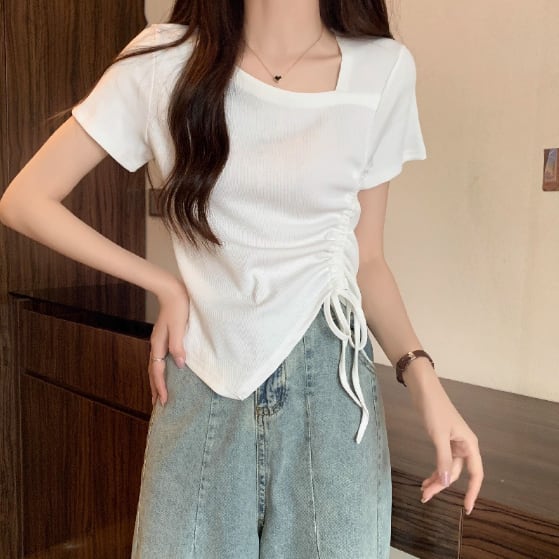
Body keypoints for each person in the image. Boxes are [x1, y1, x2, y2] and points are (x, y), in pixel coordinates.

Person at [0, 0, 484, 557]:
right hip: (202, 379)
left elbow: (367, 259)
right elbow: (25, 200)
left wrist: (424, 381)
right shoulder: (163, 62)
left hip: (331, 397)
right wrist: (164, 284)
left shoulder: (382, 69)